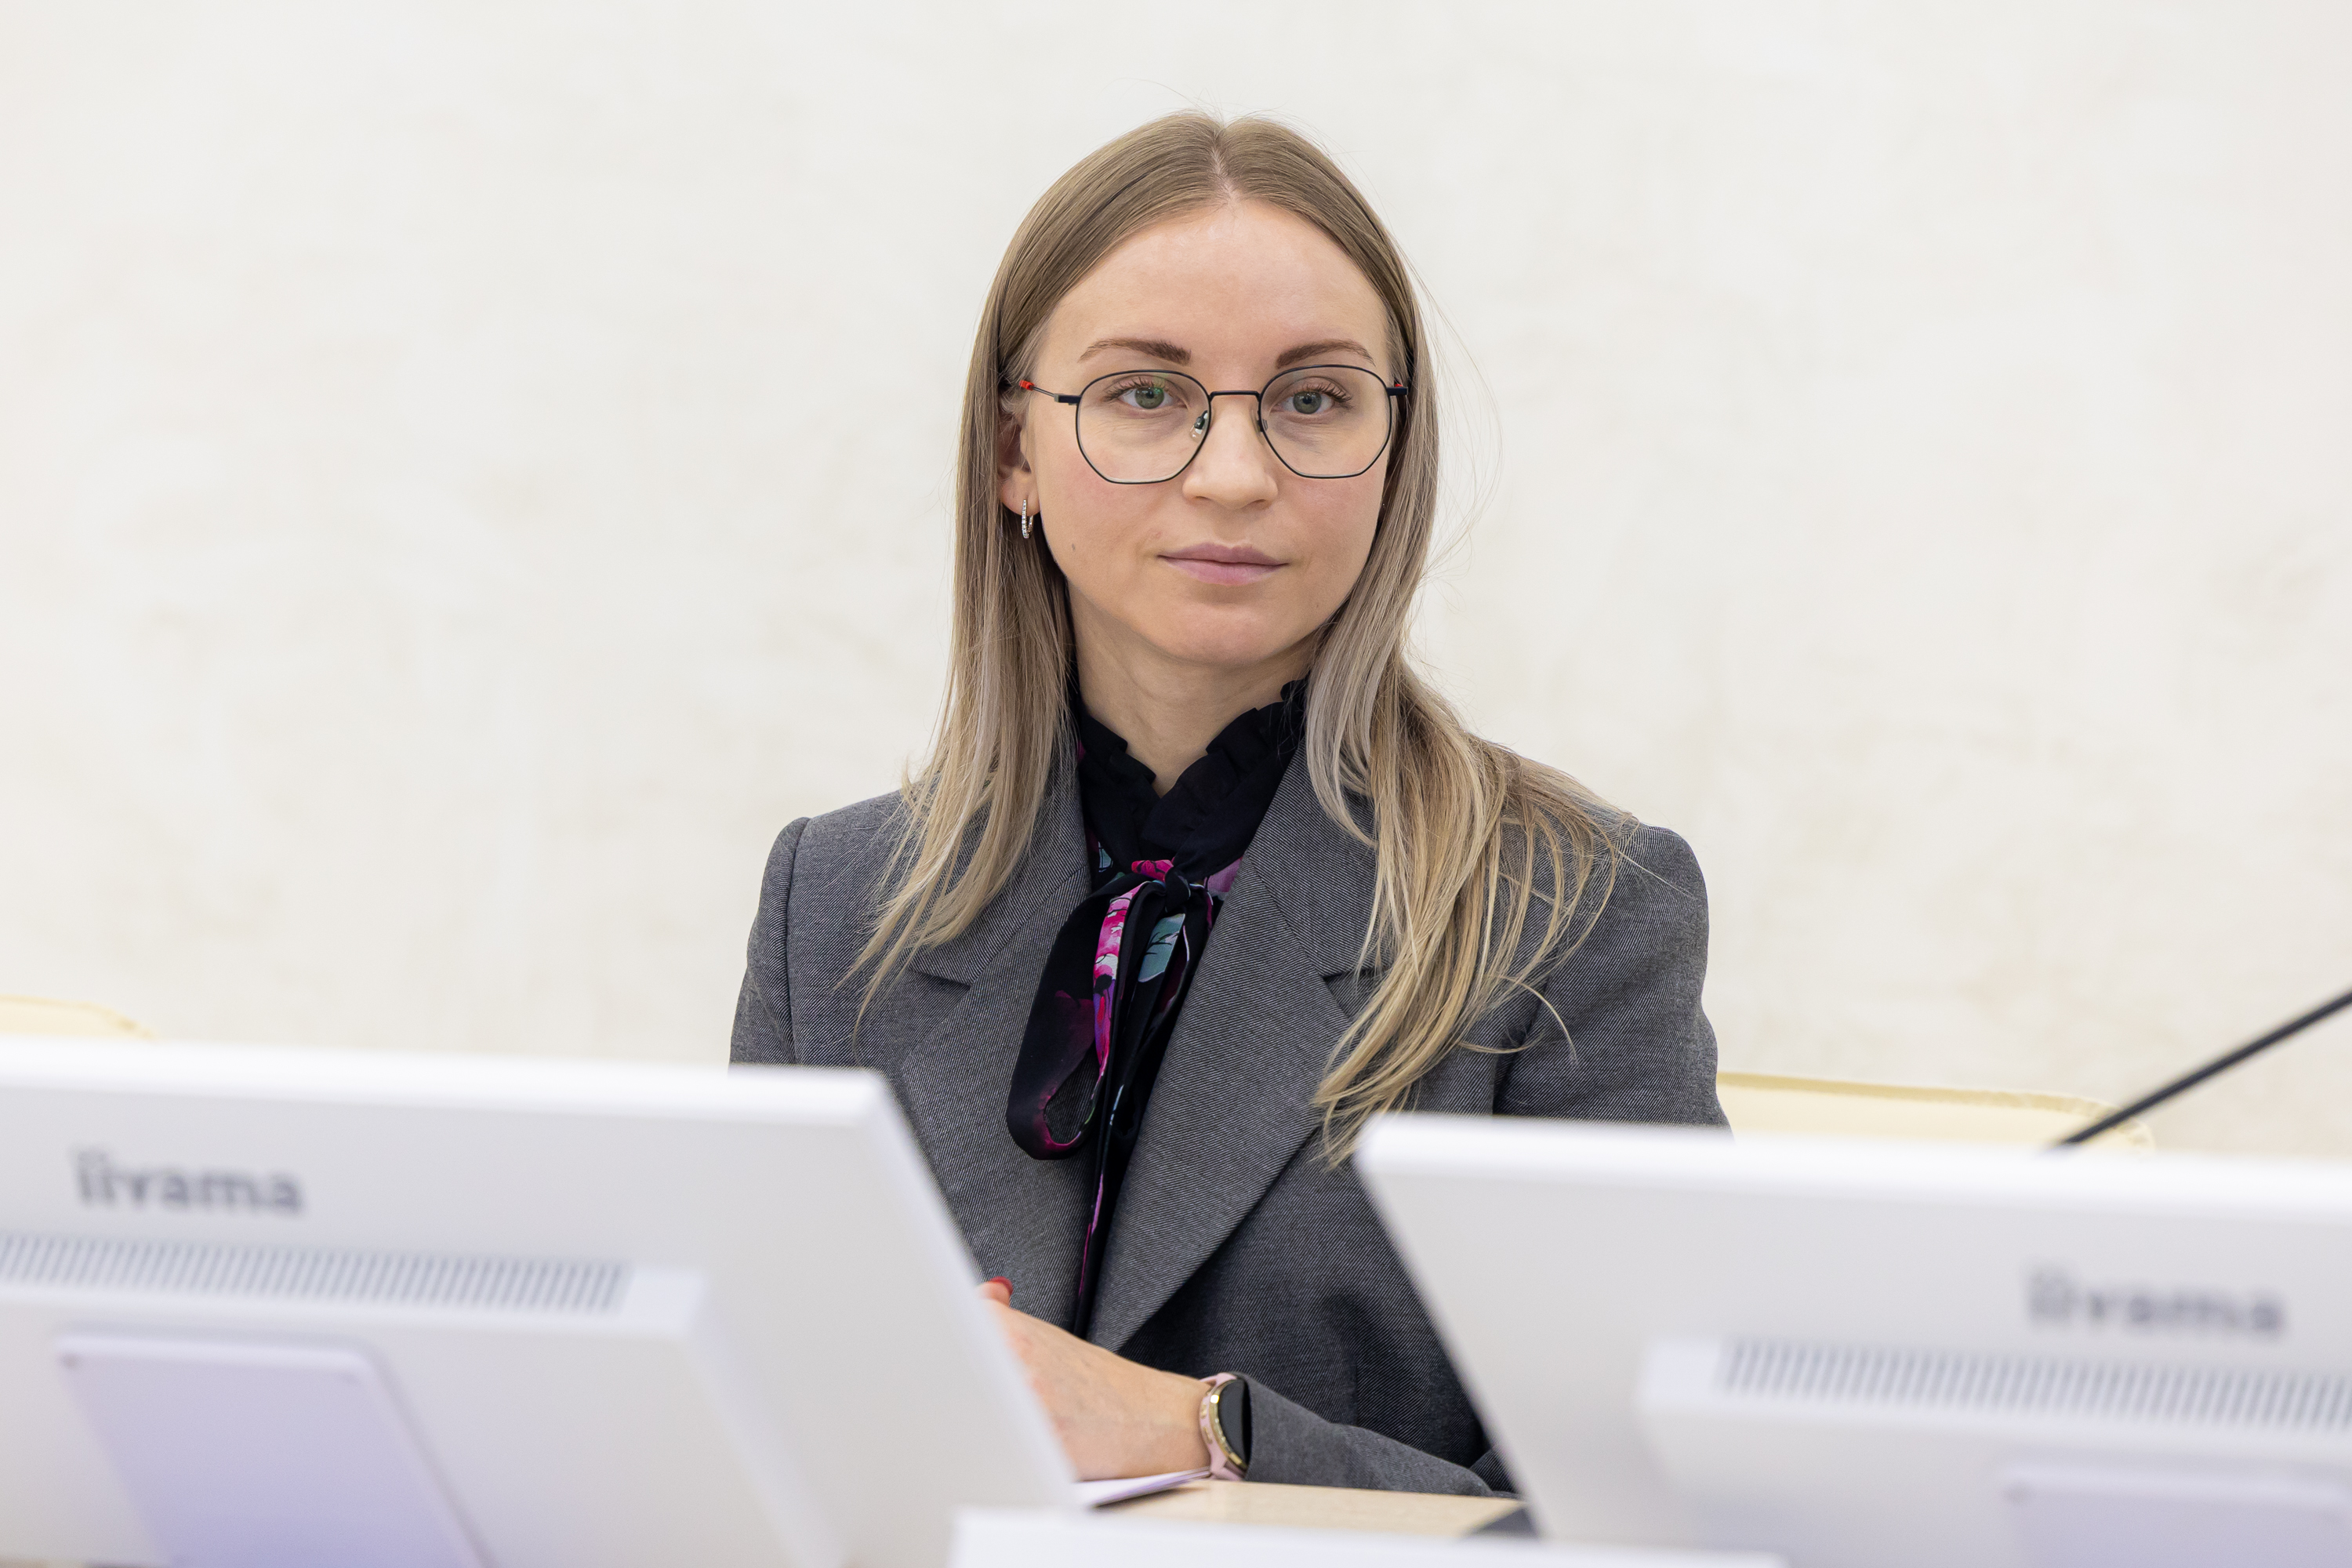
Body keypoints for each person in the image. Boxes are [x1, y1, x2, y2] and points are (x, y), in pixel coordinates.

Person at [731, 111, 1723, 1497]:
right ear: (1014, 451)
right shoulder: (832, 906)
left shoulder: (1576, 913)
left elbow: (1653, 1507)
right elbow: (753, 1440)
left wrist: (1204, 1433)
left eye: (1314, 400)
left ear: (1393, 454)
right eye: (1145, 392)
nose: (1236, 475)